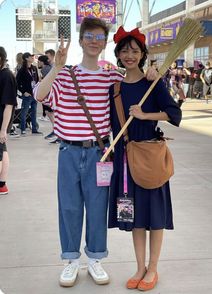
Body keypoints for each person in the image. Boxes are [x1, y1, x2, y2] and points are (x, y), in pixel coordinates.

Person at [34, 17, 124, 287]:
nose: (94, 41)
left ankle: (95, 258)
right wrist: (56, 68)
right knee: (70, 208)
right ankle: (71, 260)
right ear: (82, 40)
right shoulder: (65, 74)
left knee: (97, 207)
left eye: (99, 37)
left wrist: (151, 73)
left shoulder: (111, 76)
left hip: (99, 153)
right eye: (89, 36)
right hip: (69, 152)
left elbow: (134, 84)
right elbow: (39, 95)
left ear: (104, 41)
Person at [108, 27, 182, 291]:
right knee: (134, 216)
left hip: (149, 159)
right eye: (124, 50)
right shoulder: (114, 88)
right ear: (117, 54)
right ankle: (139, 267)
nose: (129, 55)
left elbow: (174, 114)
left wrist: (144, 116)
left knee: (155, 215)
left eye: (135, 51)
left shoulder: (153, 84)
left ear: (142, 55)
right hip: (125, 163)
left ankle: (153, 268)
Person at [0, 47, 17, 195]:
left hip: (1, 122)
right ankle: (2, 185)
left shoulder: (6, 76)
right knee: (2, 150)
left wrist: (3, 129)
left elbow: (9, 105)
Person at [16, 52, 42, 135]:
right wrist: (24, 92)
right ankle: (23, 129)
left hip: (34, 94)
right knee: (24, 112)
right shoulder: (22, 70)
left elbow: (37, 80)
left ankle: (34, 129)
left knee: (34, 112)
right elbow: (17, 83)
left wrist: (38, 91)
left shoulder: (34, 68)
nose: (33, 57)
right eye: (31, 56)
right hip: (27, 95)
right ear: (26, 58)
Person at [37, 55, 56, 140]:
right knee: (49, 112)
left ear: (41, 62)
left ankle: (55, 130)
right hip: (51, 93)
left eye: (39, 61)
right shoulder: (50, 67)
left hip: (48, 94)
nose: (38, 63)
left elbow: (46, 82)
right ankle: (55, 129)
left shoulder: (45, 69)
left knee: (49, 112)